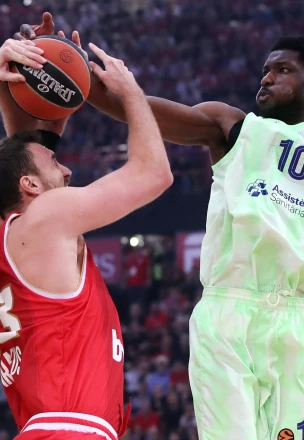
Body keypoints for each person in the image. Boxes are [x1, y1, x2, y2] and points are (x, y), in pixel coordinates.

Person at [16, 16, 304, 440]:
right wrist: (69, 69)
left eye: (283, 70)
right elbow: (137, 111)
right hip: (231, 308)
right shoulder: (235, 127)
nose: (268, 77)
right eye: (266, 69)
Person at [0, 37, 173, 439]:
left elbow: (29, 152)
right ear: (30, 185)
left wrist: (19, 77)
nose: (67, 170)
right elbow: (154, 173)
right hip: (70, 429)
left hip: (52, 427)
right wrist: (130, 91)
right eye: (56, 163)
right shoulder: (44, 218)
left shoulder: (13, 234)